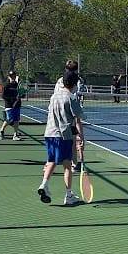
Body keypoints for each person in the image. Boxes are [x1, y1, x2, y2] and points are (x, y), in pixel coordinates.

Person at [37, 70, 85, 206]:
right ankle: (68, 195)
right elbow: (79, 116)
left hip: (49, 134)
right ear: (74, 84)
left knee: (51, 160)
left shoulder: (54, 96)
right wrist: (80, 136)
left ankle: (44, 184)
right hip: (63, 136)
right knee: (67, 165)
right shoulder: (71, 97)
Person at [0, 70, 23, 140]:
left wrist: (21, 96)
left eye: (14, 76)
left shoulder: (17, 85)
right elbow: (3, 96)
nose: (13, 77)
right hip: (9, 105)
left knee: (17, 119)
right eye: (11, 76)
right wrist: (12, 100)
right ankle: (1, 130)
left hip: (17, 104)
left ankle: (15, 135)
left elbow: (22, 93)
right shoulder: (6, 85)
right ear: (9, 77)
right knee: (9, 118)